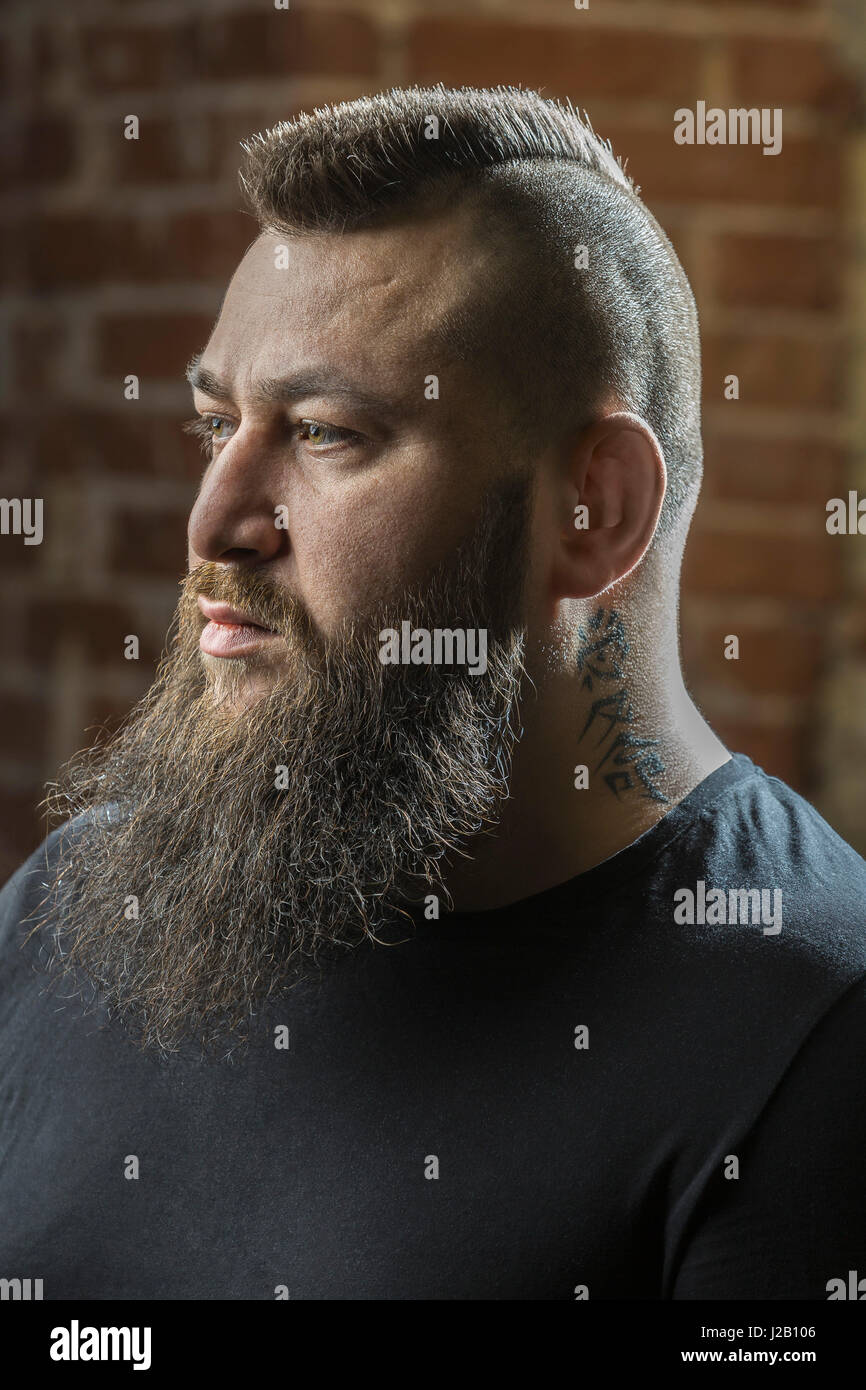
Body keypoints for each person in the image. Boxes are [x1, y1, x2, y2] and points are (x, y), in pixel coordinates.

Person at [1, 84, 864, 1301]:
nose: (214, 524)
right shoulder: (70, 911)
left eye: (325, 433)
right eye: (216, 426)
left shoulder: (815, 1036)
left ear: (594, 510)